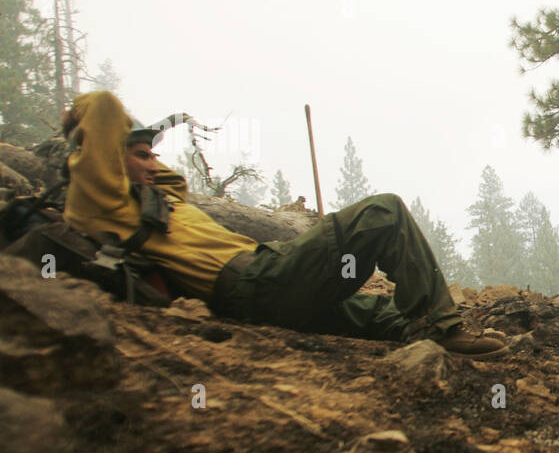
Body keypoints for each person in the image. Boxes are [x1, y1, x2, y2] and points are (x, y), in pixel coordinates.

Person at [60, 90, 506, 356]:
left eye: (154, 154)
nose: (155, 163)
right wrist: (82, 124)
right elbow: (100, 107)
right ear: (107, 161)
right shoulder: (106, 202)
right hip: (255, 283)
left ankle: (423, 333)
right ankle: (443, 328)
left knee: (380, 314)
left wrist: (142, 151)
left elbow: (167, 179)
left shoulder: (159, 201)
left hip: (268, 284)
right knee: (382, 213)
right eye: (141, 155)